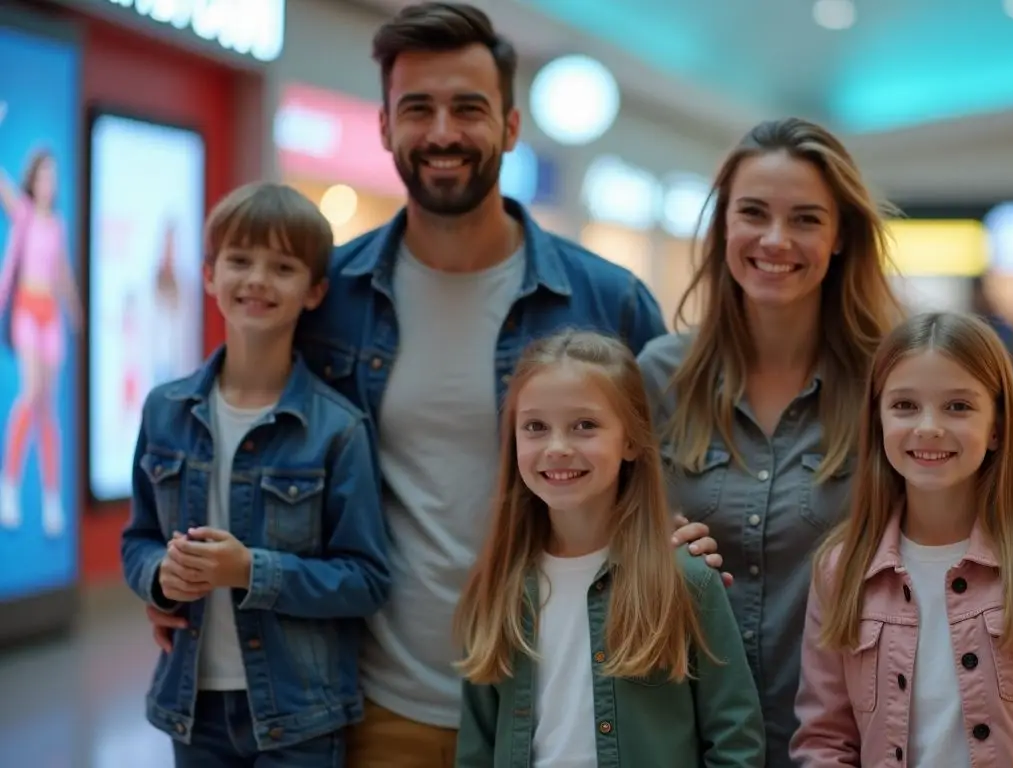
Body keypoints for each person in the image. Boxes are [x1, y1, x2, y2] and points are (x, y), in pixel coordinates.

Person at [142, 5, 720, 766]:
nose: (442, 132)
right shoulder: (329, 296)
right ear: (386, 126)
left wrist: (686, 529)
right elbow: (232, 429)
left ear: (510, 126)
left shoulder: (605, 301)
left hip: (563, 698)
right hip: (379, 702)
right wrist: (166, 578)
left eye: (468, 108)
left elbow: (675, 463)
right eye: (418, 109)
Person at [638, 117, 1013, 767]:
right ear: (723, 224)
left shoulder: (895, 381)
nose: (776, 239)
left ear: (840, 236)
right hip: (689, 736)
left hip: (847, 742)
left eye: (805, 218)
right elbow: (592, 539)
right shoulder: (659, 377)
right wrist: (645, 549)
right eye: (753, 213)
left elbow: (987, 504)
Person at [120, 182, 393, 766]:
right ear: (209, 274)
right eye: (240, 260)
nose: (258, 280)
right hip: (191, 707)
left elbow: (366, 579)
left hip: (300, 717)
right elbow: (138, 540)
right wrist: (159, 576)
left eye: (283, 267)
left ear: (315, 291)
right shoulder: (165, 411)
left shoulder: (338, 429)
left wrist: (251, 570)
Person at [792, 311, 1013, 767]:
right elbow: (823, 740)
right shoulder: (841, 571)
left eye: (958, 407)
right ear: (877, 420)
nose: (929, 426)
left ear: (996, 427)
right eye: (904, 405)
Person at [455, 331, 765, 766]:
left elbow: (736, 738)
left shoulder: (687, 578)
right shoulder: (496, 585)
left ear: (631, 440)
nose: (557, 448)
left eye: (585, 425)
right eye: (535, 427)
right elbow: (476, 748)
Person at [0, 106, 83, 538]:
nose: (50, 182)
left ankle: (52, 498)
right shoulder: (25, 213)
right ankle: (9, 484)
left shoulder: (57, 224)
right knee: (30, 393)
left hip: (52, 318)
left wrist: (74, 309)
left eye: (54, 176)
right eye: (44, 175)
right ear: (33, 180)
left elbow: (62, 272)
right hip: (26, 311)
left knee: (47, 409)